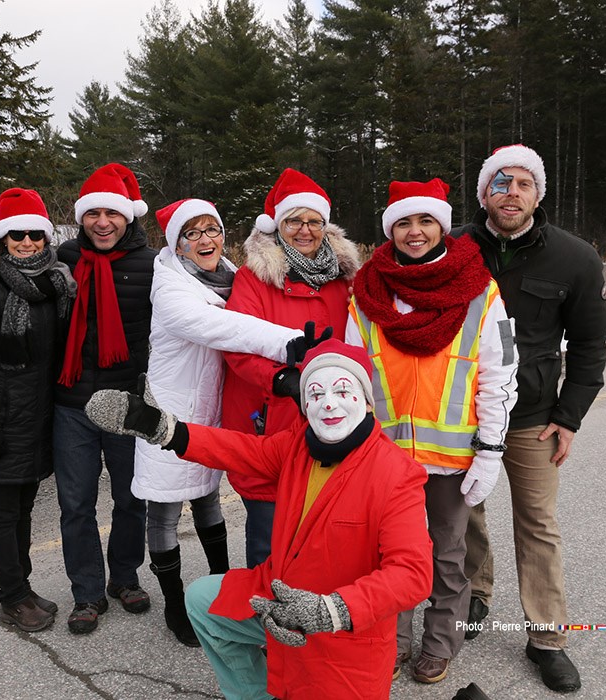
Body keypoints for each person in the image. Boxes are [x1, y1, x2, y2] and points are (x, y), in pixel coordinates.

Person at [84, 339, 433, 700]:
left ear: (364, 398)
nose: (328, 403)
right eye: (315, 394)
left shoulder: (397, 474)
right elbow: (239, 449)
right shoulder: (299, 445)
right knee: (204, 602)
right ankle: (253, 694)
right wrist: (167, 430)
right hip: (274, 598)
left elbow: (412, 574)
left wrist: (331, 610)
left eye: (342, 390)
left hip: (342, 632)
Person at [346, 178, 518, 684]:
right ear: (390, 230)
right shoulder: (367, 291)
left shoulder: (481, 289)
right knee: (387, 553)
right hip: (385, 456)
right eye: (403, 222)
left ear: (441, 225)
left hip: (451, 456)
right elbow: (355, 373)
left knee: (447, 557)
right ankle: (389, 640)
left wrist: (490, 450)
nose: (415, 232)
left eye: (425, 221)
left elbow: (501, 370)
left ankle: (441, 642)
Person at [454, 144, 606, 693]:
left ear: (538, 193)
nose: (511, 192)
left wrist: (570, 416)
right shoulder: (453, 250)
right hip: (458, 414)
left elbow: (591, 343)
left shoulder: (575, 258)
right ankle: (474, 593)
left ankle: (547, 638)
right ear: (484, 194)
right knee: (463, 511)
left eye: (523, 183)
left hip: (533, 415)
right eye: (501, 183)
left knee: (538, 524)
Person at [137, 198, 303, 646]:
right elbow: (225, 328)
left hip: (209, 411)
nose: (206, 239)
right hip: (170, 411)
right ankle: (175, 605)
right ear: (178, 244)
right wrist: (294, 342)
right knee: (166, 510)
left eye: (212, 228)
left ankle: (219, 587)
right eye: (193, 233)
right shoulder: (171, 290)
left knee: (208, 501)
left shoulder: (229, 274)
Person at [221, 167, 361, 568]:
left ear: (325, 226)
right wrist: (280, 378)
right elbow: (236, 344)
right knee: (269, 538)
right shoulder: (254, 279)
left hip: (330, 420)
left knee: (325, 531)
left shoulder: (344, 280)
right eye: (294, 220)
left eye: (313, 221)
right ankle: (266, 622)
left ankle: (315, 617)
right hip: (270, 417)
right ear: (278, 226)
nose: (305, 230)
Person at [0, 187, 76, 632]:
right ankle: (11, 597)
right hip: (3, 421)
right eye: (16, 235)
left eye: (35, 235)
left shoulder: (54, 284)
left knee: (24, 510)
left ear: (46, 238)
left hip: (39, 418)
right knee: (4, 513)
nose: (27, 242)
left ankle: (22, 588)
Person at [53, 163, 157, 635]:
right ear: (81, 218)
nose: (102, 222)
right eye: (92, 213)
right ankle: (87, 591)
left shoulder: (152, 263)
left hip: (125, 403)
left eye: (111, 213)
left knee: (130, 498)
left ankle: (125, 577)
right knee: (75, 504)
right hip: (71, 403)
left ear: (127, 218)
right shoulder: (62, 259)